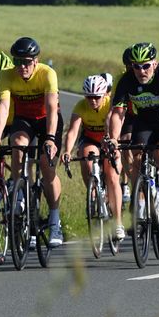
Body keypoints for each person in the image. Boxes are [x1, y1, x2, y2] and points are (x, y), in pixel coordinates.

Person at [0, 36, 64, 246]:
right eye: (17, 61)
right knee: (17, 146)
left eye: (26, 62)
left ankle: (55, 220)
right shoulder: (5, 75)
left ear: (36, 61)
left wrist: (50, 139)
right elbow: (4, 108)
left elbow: (51, 108)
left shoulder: (47, 74)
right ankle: (21, 194)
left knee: (47, 167)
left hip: (47, 120)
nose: (22, 66)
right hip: (24, 119)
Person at [107, 41, 159, 222]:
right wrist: (113, 138)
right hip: (144, 121)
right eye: (136, 66)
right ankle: (141, 201)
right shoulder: (126, 80)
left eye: (146, 66)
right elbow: (118, 113)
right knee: (137, 156)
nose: (141, 71)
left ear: (154, 64)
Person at [63, 72, 124, 244]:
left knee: (112, 176)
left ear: (104, 94)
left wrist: (114, 144)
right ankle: (93, 194)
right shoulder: (81, 106)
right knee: (86, 158)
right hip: (90, 139)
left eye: (97, 97)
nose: (93, 101)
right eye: (89, 97)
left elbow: (114, 125)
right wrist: (67, 151)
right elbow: (73, 131)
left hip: (109, 139)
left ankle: (118, 222)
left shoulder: (111, 104)